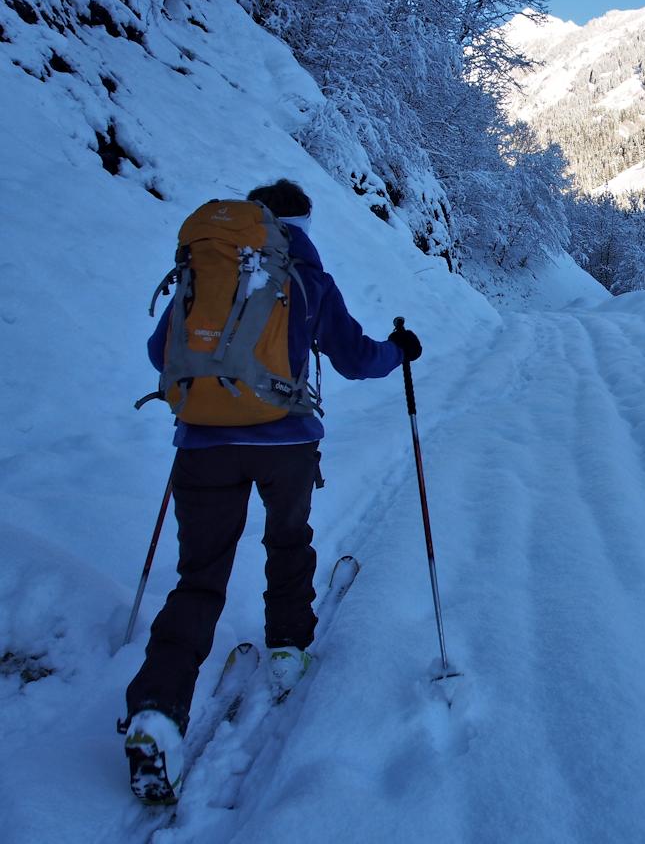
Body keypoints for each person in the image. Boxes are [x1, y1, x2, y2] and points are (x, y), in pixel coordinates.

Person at [122, 179, 423, 801]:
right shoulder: (307, 276)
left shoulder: (203, 270)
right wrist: (399, 351)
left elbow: (162, 353)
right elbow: (354, 359)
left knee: (198, 577)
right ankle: (288, 647)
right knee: (288, 540)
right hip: (285, 443)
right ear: (301, 223)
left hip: (201, 444)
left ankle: (156, 709)